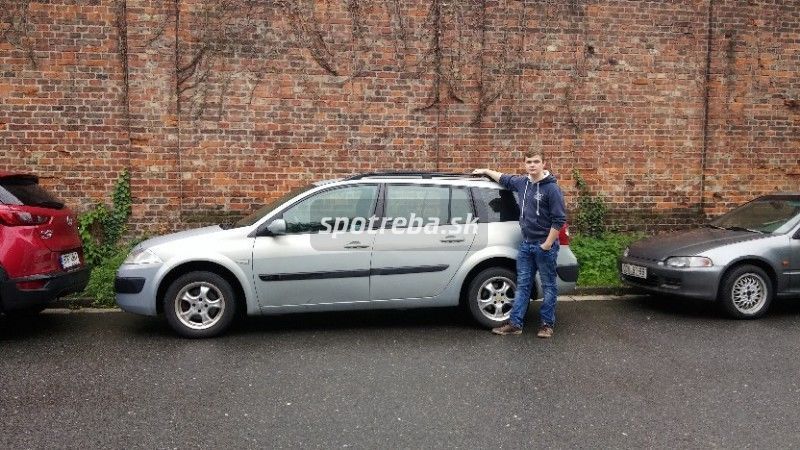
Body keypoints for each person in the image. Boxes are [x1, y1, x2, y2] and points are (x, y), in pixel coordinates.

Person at [472, 151, 566, 338]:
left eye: (536, 161)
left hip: (544, 246)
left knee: (548, 286)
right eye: (529, 162)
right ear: (525, 164)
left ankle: (547, 325)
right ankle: (515, 324)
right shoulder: (522, 183)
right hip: (526, 245)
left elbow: (559, 220)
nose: (532, 165)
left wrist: (547, 244)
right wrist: (485, 171)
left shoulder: (552, 189)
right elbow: (503, 178)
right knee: (523, 285)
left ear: (544, 164)